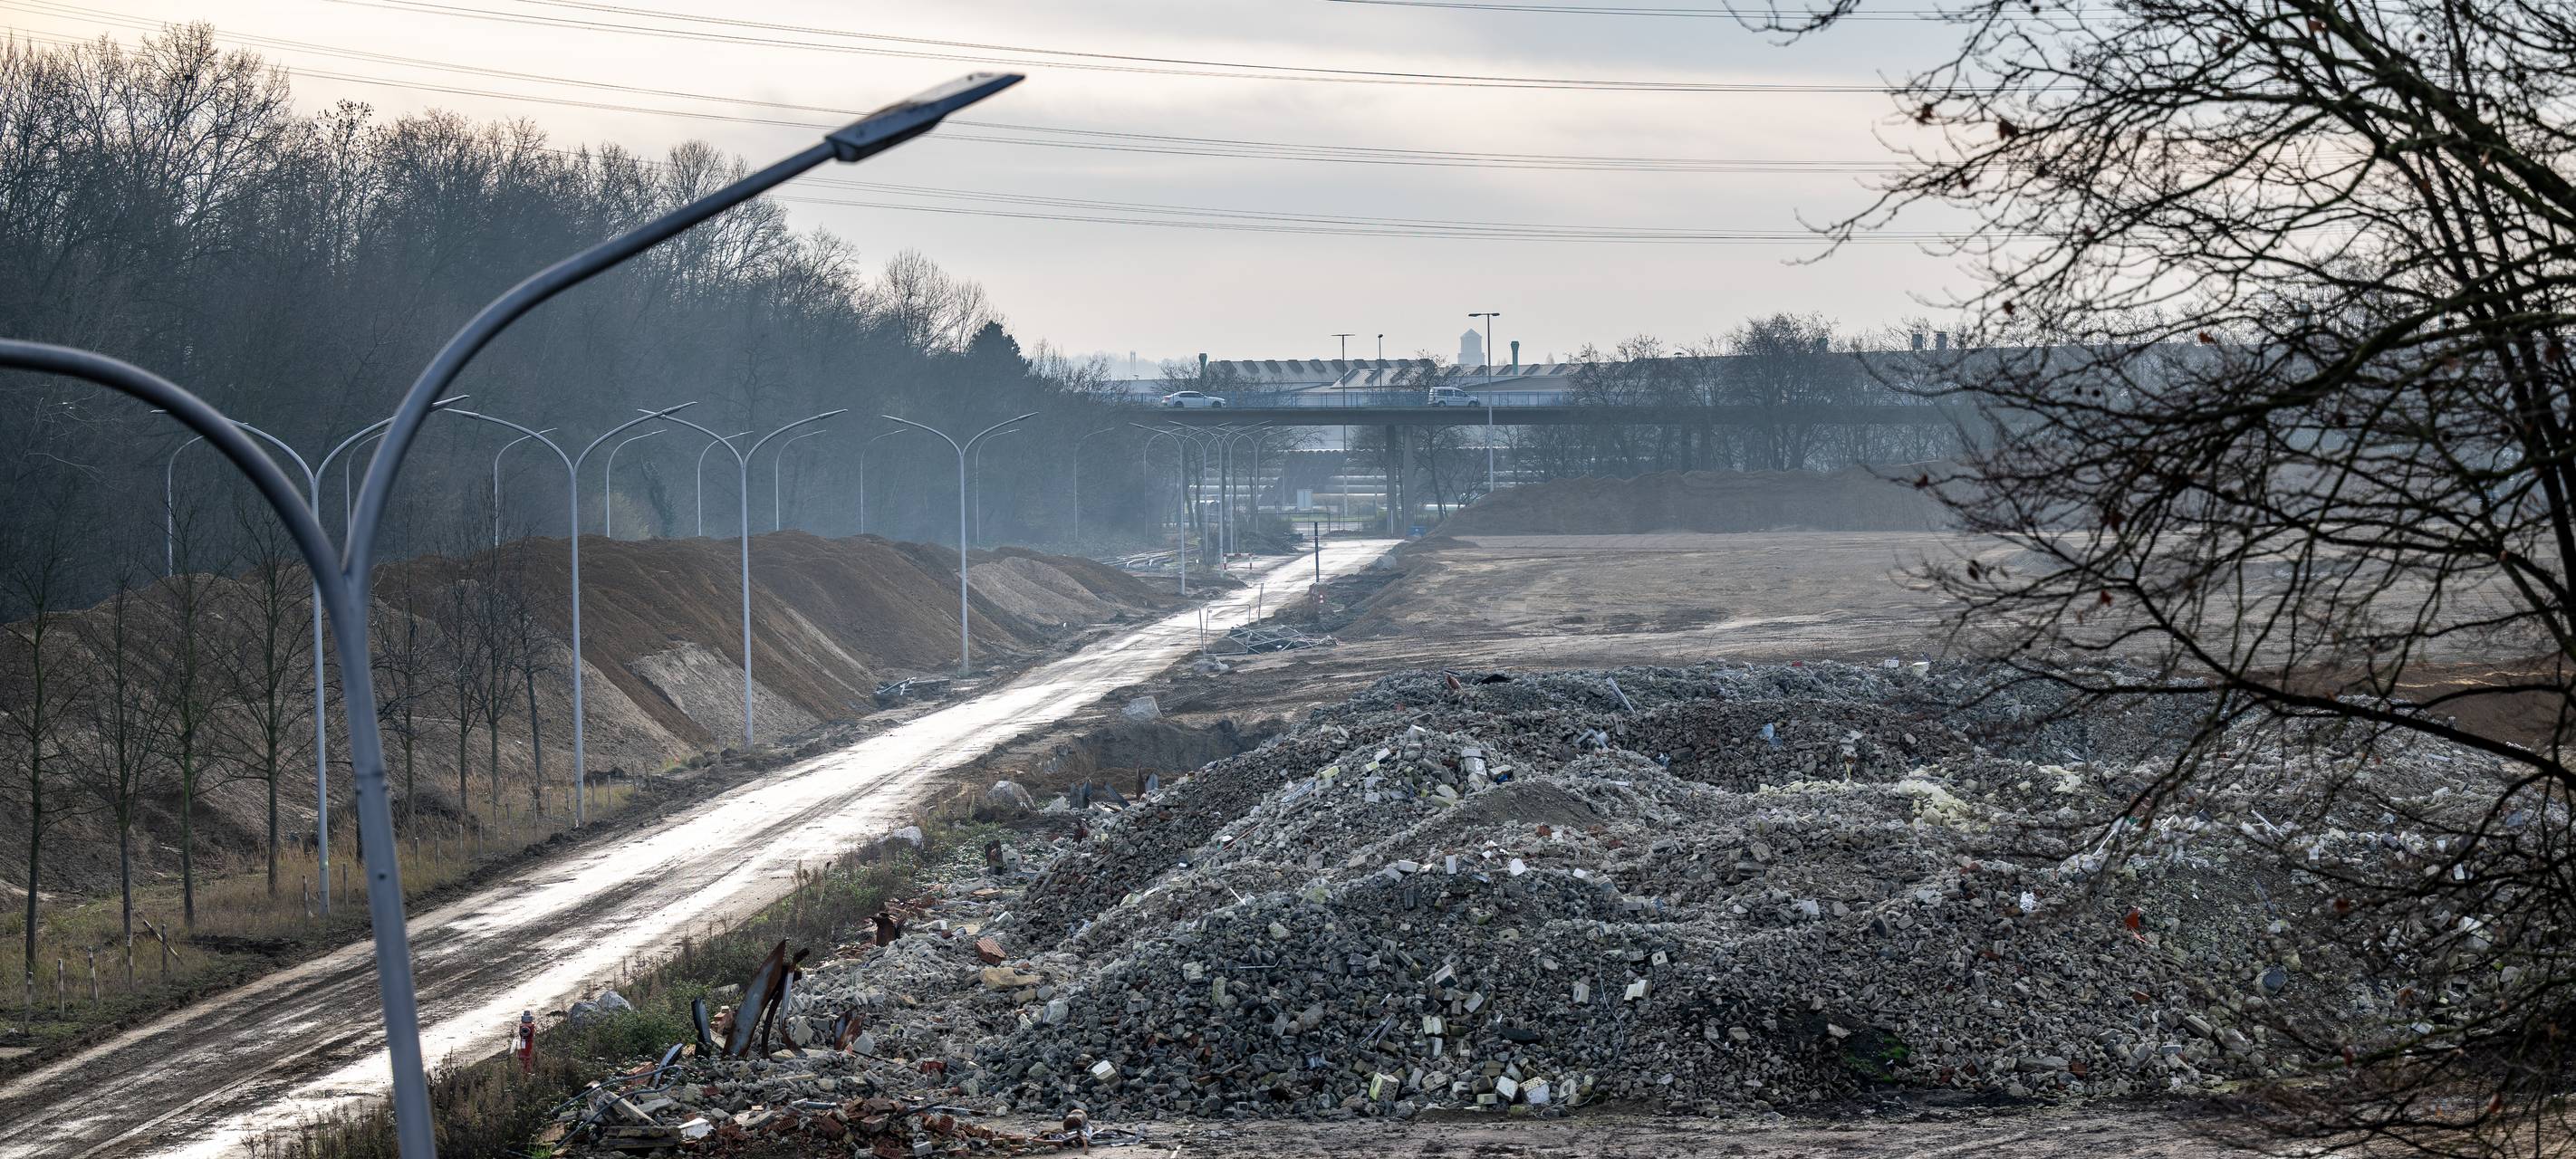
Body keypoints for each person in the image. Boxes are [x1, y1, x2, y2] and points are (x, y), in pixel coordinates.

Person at [513, 1010, 537, 1074]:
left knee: (526, 1056)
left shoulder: (529, 1025)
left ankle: (525, 1071)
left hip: (526, 1045)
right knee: (526, 1056)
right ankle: (526, 1070)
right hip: (526, 1045)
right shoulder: (528, 1025)